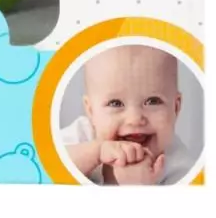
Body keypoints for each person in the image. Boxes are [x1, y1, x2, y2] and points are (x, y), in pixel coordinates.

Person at [60, 44, 195, 185]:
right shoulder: (81, 135)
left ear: (175, 108)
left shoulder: (181, 168)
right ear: (91, 111)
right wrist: (97, 153)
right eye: (115, 103)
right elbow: (49, 165)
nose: (134, 119)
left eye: (152, 101)